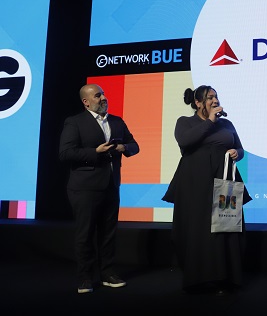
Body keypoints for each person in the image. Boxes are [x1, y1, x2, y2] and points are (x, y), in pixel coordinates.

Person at [162, 85, 251, 295]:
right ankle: (198, 278)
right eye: (209, 97)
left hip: (225, 179)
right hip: (195, 182)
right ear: (197, 102)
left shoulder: (227, 124)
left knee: (225, 225)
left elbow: (240, 148)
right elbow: (185, 141)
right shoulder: (185, 122)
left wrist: (236, 152)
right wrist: (210, 121)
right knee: (199, 228)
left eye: (216, 96)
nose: (215, 100)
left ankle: (225, 277)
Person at [59, 83, 140, 294]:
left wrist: (124, 147)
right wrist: (95, 152)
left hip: (111, 185)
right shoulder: (75, 122)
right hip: (84, 188)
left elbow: (135, 146)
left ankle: (108, 273)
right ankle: (85, 278)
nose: (103, 98)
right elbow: (66, 153)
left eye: (103, 94)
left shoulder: (117, 121)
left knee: (108, 233)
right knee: (85, 234)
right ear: (86, 102)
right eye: (97, 96)